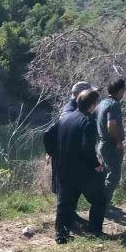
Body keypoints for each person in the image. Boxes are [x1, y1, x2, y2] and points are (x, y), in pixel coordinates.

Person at [53, 89, 106, 244]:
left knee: (66, 202)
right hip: (83, 171)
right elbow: (87, 147)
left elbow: (48, 135)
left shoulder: (65, 118)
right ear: (92, 105)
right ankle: (95, 231)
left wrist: (56, 153)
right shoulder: (88, 121)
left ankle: (61, 236)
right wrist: (96, 165)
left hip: (64, 168)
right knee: (99, 199)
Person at [96, 78, 126, 207]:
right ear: (120, 91)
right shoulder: (114, 104)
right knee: (114, 175)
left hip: (101, 144)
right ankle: (104, 204)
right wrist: (117, 141)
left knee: (103, 174)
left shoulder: (102, 103)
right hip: (110, 145)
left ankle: (100, 202)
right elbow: (111, 125)